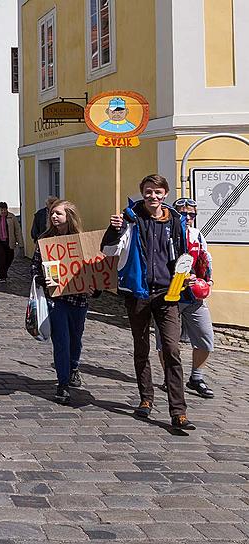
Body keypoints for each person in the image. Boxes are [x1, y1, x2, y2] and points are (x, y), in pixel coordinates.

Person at [101, 174, 195, 430]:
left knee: (172, 350)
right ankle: (146, 399)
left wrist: (187, 273)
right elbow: (108, 250)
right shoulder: (130, 218)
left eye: (158, 192)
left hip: (168, 293)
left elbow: (183, 252)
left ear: (165, 194)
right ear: (142, 193)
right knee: (141, 347)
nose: (153, 196)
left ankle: (178, 411)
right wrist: (114, 229)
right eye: (148, 191)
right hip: (138, 292)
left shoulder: (175, 220)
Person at [31, 201, 100, 403]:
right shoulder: (44, 240)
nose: (54, 217)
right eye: (52, 213)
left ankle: (73, 366)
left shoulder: (81, 240)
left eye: (58, 213)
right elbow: (35, 267)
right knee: (61, 340)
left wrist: (94, 289)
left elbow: (94, 270)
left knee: (75, 339)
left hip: (78, 300)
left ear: (69, 216)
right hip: (57, 299)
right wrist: (45, 281)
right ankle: (62, 383)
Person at [155, 198, 215, 399]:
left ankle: (196, 377)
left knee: (205, 339)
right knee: (166, 342)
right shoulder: (165, 232)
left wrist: (208, 281)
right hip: (169, 294)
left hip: (194, 295)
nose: (188, 217)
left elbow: (205, 260)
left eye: (192, 214)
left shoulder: (197, 235)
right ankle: (168, 377)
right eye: (183, 213)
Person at [0, 202, 23, 283]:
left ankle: (5, 271)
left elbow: (17, 230)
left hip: (9, 241)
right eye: (1, 210)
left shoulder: (12, 217)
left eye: (4, 210)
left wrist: (20, 243)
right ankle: (2, 276)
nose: (3, 212)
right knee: (0, 259)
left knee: (9, 258)